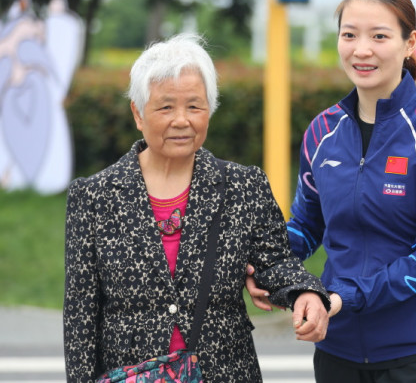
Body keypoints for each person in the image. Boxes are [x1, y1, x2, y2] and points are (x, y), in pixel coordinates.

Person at [63, 33, 331, 383]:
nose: (181, 120)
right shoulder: (94, 198)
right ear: (138, 113)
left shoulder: (243, 186)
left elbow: (276, 262)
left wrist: (305, 292)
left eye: (194, 106)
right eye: (165, 107)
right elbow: (80, 316)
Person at [247, 0, 416, 382]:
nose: (361, 49)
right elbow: (305, 226)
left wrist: (340, 298)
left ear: (410, 43)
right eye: (349, 35)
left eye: (379, 36)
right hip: (337, 348)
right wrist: (263, 266)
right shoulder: (322, 131)